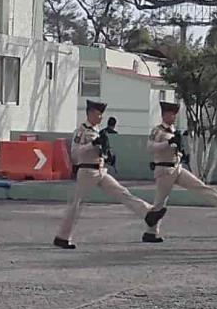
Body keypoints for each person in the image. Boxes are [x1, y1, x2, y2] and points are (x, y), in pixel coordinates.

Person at [53, 100, 166, 249]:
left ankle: (148, 214)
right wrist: (92, 145)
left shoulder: (97, 130)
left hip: (100, 170)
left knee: (122, 192)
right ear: (91, 113)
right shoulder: (81, 131)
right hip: (87, 171)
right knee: (76, 204)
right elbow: (75, 153)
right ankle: (62, 237)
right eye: (99, 114)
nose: (101, 117)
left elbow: (101, 150)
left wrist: (107, 155)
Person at [142, 101, 217, 243]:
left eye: (174, 114)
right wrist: (167, 143)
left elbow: (176, 148)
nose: (173, 117)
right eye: (170, 114)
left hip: (176, 167)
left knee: (198, 185)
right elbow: (150, 147)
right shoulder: (158, 131)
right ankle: (150, 232)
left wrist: (181, 154)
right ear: (164, 115)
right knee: (160, 202)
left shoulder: (174, 131)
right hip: (164, 169)